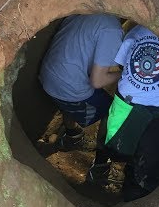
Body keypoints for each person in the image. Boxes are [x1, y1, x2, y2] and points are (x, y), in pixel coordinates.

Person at [90, 24, 159, 201]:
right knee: (149, 176)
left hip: (125, 106)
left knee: (116, 145)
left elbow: (124, 66)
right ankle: (134, 198)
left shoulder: (138, 30)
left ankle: (100, 167)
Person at [39, 14, 124, 151]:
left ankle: (72, 135)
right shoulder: (112, 29)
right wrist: (126, 74)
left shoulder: (85, 11)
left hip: (47, 76)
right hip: (66, 87)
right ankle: (100, 161)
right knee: (112, 110)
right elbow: (98, 81)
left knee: (77, 79)